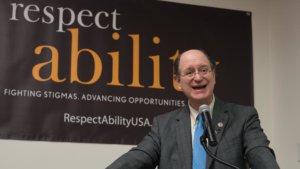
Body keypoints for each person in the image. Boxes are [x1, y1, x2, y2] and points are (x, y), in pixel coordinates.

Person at [106, 49, 280, 169]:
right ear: (177, 82)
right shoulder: (163, 124)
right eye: (189, 72)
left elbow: (259, 153)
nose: (198, 77)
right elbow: (139, 156)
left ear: (214, 75)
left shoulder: (243, 116)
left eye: (204, 70)